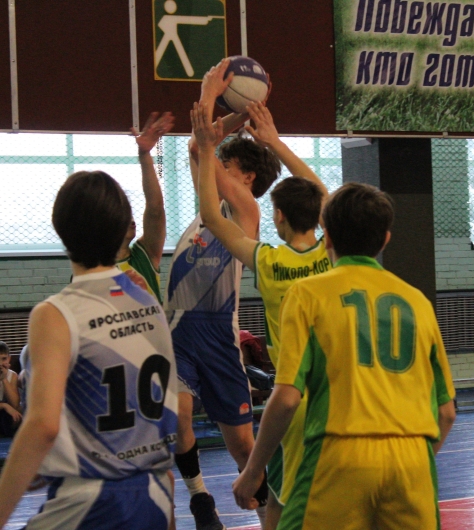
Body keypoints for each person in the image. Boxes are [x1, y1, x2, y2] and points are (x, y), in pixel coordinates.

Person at [232, 182, 457, 529]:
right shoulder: (418, 302)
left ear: (328, 239)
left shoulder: (307, 294)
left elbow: (288, 398)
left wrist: (252, 471)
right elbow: (446, 412)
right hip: (412, 458)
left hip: (340, 454)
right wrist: (410, 462)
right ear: (385, 240)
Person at [0, 171, 178, 529]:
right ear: (121, 229)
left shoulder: (55, 313)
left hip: (91, 500)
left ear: (60, 228)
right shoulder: (148, 302)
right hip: (156, 492)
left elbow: (42, 425)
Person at [192, 100, 330, 529]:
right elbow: (325, 197)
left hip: (294, 395)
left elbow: (212, 215)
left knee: (280, 503)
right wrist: (275, 143)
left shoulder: (268, 262)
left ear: (279, 216)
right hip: (338, 391)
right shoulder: (331, 255)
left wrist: (205, 152)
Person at [167, 59, 280, 530]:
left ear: (246, 178)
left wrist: (211, 94)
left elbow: (202, 147)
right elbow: (200, 147)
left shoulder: (246, 212)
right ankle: (200, 499)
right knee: (178, 420)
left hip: (217, 337)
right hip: (177, 332)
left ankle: (269, 516)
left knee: (243, 448)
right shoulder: (206, 211)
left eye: (227, 166)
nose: (216, 169)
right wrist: (237, 113)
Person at [116, 112, 175, 304]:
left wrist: (144, 154)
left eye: (130, 214)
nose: (131, 220)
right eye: (122, 216)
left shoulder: (143, 256)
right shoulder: (92, 270)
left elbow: (155, 208)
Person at [0, 342, 21, 436]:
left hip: (4, 415)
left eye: (4, 359)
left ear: (9, 358)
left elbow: (15, 404)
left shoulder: (12, 375)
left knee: (18, 413)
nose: (0, 363)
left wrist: (4, 379)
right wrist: (4, 405)